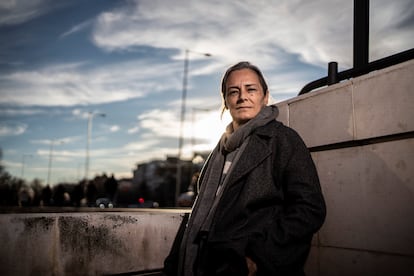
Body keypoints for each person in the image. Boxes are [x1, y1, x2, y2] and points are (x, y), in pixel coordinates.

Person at [163, 61, 326, 276]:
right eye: (234, 92)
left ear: (265, 96)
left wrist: (258, 258)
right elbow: (199, 215)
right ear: (226, 101)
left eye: (251, 89)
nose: (242, 97)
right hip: (207, 264)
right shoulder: (219, 150)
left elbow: (309, 208)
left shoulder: (283, 140)